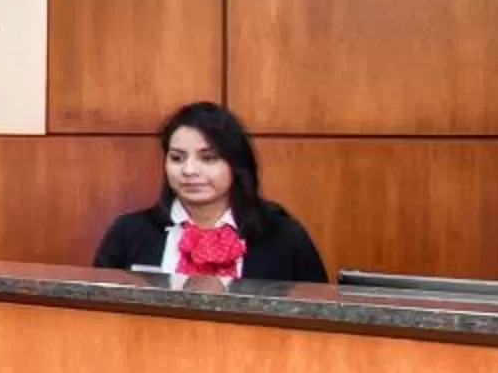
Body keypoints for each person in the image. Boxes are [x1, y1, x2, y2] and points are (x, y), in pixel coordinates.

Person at [93, 101, 328, 282]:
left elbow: (321, 318)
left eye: (209, 158)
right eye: (177, 158)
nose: (189, 170)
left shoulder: (284, 237)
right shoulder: (128, 233)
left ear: (236, 164)